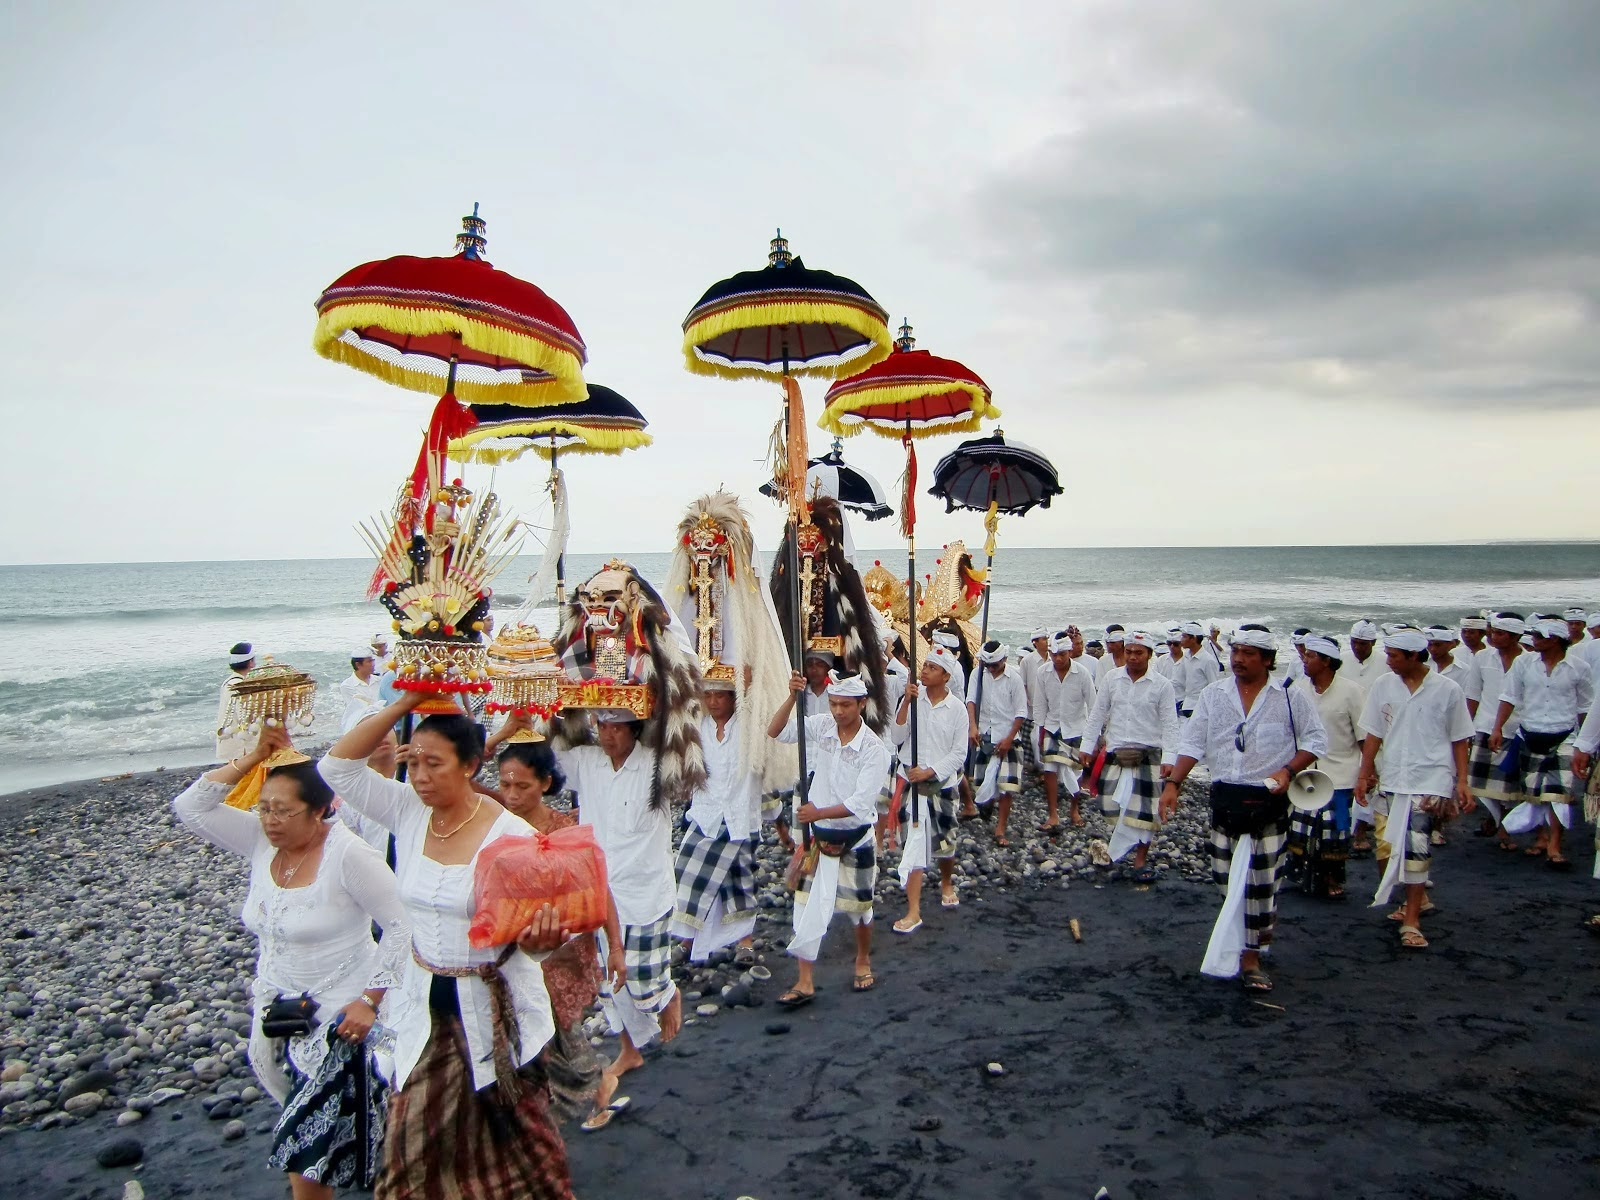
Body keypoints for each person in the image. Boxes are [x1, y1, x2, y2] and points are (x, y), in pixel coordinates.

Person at [320, 694, 576, 1200]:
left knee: (521, 1147)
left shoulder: (511, 836)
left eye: (433, 763)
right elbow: (336, 767)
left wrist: (542, 940)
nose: (419, 776)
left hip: (496, 1012)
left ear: (471, 764)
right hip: (421, 1009)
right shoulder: (409, 811)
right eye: (413, 762)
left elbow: (544, 931)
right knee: (408, 1148)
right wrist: (406, 702)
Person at [175, 723, 407, 1199]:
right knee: (319, 1139)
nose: (270, 820)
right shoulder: (262, 841)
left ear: (322, 809)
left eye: (283, 810)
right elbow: (190, 807)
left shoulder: (349, 856)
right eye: (263, 808)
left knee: (305, 1152)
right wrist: (253, 758)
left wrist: (370, 1000)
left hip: (343, 1019)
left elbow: (404, 926)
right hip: (277, 1010)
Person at [1162, 626, 1326, 991]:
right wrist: (1174, 783)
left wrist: (1288, 770)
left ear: (1267, 659)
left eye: (1249, 653)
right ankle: (1236, 944)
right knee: (1226, 881)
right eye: (1236, 651)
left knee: (1262, 885)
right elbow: (1193, 742)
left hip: (1268, 799)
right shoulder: (1213, 695)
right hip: (1225, 798)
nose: (1238, 658)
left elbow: (1315, 740)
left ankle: (1251, 959)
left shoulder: (1288, 696)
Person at [551, 711, 685, 1099]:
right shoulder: (588, 761)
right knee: (612, 983)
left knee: (643, 980)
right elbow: (547, 759)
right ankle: (629, 1051)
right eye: (603, 727)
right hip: (600, 888)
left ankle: (667, 994)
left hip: (646, 888)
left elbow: (688, 752)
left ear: (634, 729)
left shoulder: (658, 763)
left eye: (617, 728)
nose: (608, 736)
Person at [492, 734, 623, 1130]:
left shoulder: (564, 830)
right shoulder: (493, 825)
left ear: (546, 784)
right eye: (504, 785)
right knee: (538, 1035)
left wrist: (615, 946)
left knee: (556, 1028)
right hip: (511, 949)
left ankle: (587, 1092)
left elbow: (599, 888)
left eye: (522, 786)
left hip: (561, 953)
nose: (511, 795)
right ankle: (576, 1096)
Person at [770, 670, 890, 1003]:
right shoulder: (822, 726)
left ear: (861, 704)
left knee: (859, 908)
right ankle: (804, 980)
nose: (838, 711)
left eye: (846, 706)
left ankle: (862, 959)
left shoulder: (874, 749)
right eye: (834, 704)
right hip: (818, 837)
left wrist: (817, 812)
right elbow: (776, 731)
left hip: (855, 836)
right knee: (804, 906)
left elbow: (860, 804)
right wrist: (792, 696)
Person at [1355, 629, 1476, 950]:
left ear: (1413, 656)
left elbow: (1460, 738)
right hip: (1392, 775)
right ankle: (1413, 901)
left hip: (1430, 778)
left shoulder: (1447, 690)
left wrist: (1462, 781)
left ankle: (1412, 920)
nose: (1389, 661)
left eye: (1394, 656)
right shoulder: (1384, 685)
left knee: (1417, 847)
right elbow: (1373, 733)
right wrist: (1364, 773)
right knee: (1386, 844)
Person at [670, 680, 763, 965]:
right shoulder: (697, 727)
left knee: (739, 880)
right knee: (688, 876)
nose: (713, 702)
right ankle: (687, 940)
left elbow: (760, 704)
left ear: (732, 698)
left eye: (720, 696)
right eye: (708, 695)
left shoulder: (748, 728)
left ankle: (744, 944)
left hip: (739, 814)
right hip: (705, 813)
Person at [1490, 616, 1594, 868]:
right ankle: (1540, 837)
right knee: (1534, 791)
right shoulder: (1524, 663)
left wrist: (1587, 742)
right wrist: (1497, 727)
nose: (1533, 640)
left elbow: (1586, 706)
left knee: (1560, 792)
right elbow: (1509, 696)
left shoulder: (1578, 668)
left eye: (1538, 636)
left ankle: (1555, 845)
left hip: (1565, 734)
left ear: (1554, 640)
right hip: (1531, 731)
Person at [1079, 631, 1181, 883]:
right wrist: (1087, 744)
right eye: (1129, 652)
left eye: (1139, 653)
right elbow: (1097, 713)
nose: (1133, 657)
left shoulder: (1162, 685)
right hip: (1116, 753)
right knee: (1113, 805)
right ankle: (1118, 848)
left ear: (1150, 655)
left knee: (1146, 811)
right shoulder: (1112, 679)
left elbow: (1170, 724)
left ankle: (1138, 860)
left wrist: (1170, 757)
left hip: (1149, 755)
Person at [890, 637, 970, 933]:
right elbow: (897, 737)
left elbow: (959, 753)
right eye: (924, 665)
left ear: (946, 676)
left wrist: (931, 771)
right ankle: (914, 910)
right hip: (913, 787)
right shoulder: (912, 699)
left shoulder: (957, 709)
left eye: (932, 668)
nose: (924, 671)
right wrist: (907, 701)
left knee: (945, 842)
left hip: (942, 784)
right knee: (915, 844)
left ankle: (947, 881)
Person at [1286, 636, 1364, 898]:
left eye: (1310, 656)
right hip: (1305, 769)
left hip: (1341, 770)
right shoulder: (1298, 689)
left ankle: (1332, 877)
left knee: (1336, 827)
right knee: (1303, 824)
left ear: (1326, 661)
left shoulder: (1351, 691)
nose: (1304, 660)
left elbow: (1363, 735)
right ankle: (1302, 875)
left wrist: (1369, 772)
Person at [1468, 613, 1527, 846]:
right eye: (1492, 632)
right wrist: (1466, 730)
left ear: (1515, 636)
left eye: (1500, 633)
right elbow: (1472, 695)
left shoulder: (1530, 660)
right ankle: (1497, 823)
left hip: (1519, 728)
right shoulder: (1482, 657)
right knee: (1483, 785)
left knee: (1513, 786)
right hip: (1484, 725)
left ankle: (1504, 827)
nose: (1493, 636)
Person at [967, 640, 1028, 846]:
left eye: (994, 665)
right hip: (986, 732)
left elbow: (1021, 711)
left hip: (1008, 735)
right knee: (983, 780)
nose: (991, 669)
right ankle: (987, 804)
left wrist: (1010, 738)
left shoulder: (1014, 679)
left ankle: (1000, 828)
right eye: (988, 665)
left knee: (1006, 786)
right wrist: (973, 726)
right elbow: (971, 701)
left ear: (1004, 660)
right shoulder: (978, 674)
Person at [1038, 631, 1097, 830]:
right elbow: (1040, 705)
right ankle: (1053, 813)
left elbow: (1093, 704)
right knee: (1050, 770)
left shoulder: (1082, 674)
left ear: (1070, 652)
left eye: (1062, 654)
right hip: (1052, 727)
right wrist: (1040, 733)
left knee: (1075, 772)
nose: (1058, 659)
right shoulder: (1043, 673)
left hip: (1076, 728)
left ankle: (1074, 809)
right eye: (1054, 655)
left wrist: (1093, 738)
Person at [214, 641, 258, 761]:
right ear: (250, 663)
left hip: (232, 743)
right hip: (241, 747)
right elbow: (245, 717)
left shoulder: (229, 682)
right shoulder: (239, 685)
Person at [1018, 627, 1052, 777]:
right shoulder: (1027, 661)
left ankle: (1047, 767)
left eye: (1047, 638)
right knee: (1029, 737)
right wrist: (1026, 699)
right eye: (1043, 639)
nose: (1047, 642)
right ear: (1035, 642)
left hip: (1050, 706)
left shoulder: (1052, 658)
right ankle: (1032, 766)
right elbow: (1022, 683)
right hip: (1032, 707)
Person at [337, 648, 381, 729]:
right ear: (358, 665)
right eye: (369, 661)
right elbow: (359, 709)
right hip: (360, 725)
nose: (373, 664)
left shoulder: (379, 681)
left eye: (373, 660)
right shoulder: (347, 685)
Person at [1346, 620, 1386, 694]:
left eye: (1362, 644)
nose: (1357, 647)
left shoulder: (1386, 663)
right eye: (1354, 642)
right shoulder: (1341, 660)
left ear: (1373, 642)